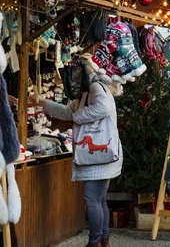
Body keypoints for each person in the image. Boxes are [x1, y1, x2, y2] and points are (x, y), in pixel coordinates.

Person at [29, 59, 123, 247]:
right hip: (101, 154)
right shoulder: (88, 91)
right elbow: (68, 112)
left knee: (92, 198)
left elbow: (103, 108)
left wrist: (79, 118)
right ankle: (103, 241)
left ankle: (94, 242)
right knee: (98, 199)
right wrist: (43, 103)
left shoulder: (95, 87)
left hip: (98, 155)